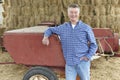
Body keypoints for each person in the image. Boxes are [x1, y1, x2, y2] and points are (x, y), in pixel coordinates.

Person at [42, 4, 98, 80]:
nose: (73, 14)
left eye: (75, 12)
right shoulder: (63, 27)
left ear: (79, 13)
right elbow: (50, 29)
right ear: (68, 14)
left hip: (82, 62)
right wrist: (46, 37)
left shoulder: (86, 28)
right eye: (71, 12)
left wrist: (88, 57)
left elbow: (94, 44)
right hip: (69, 63)